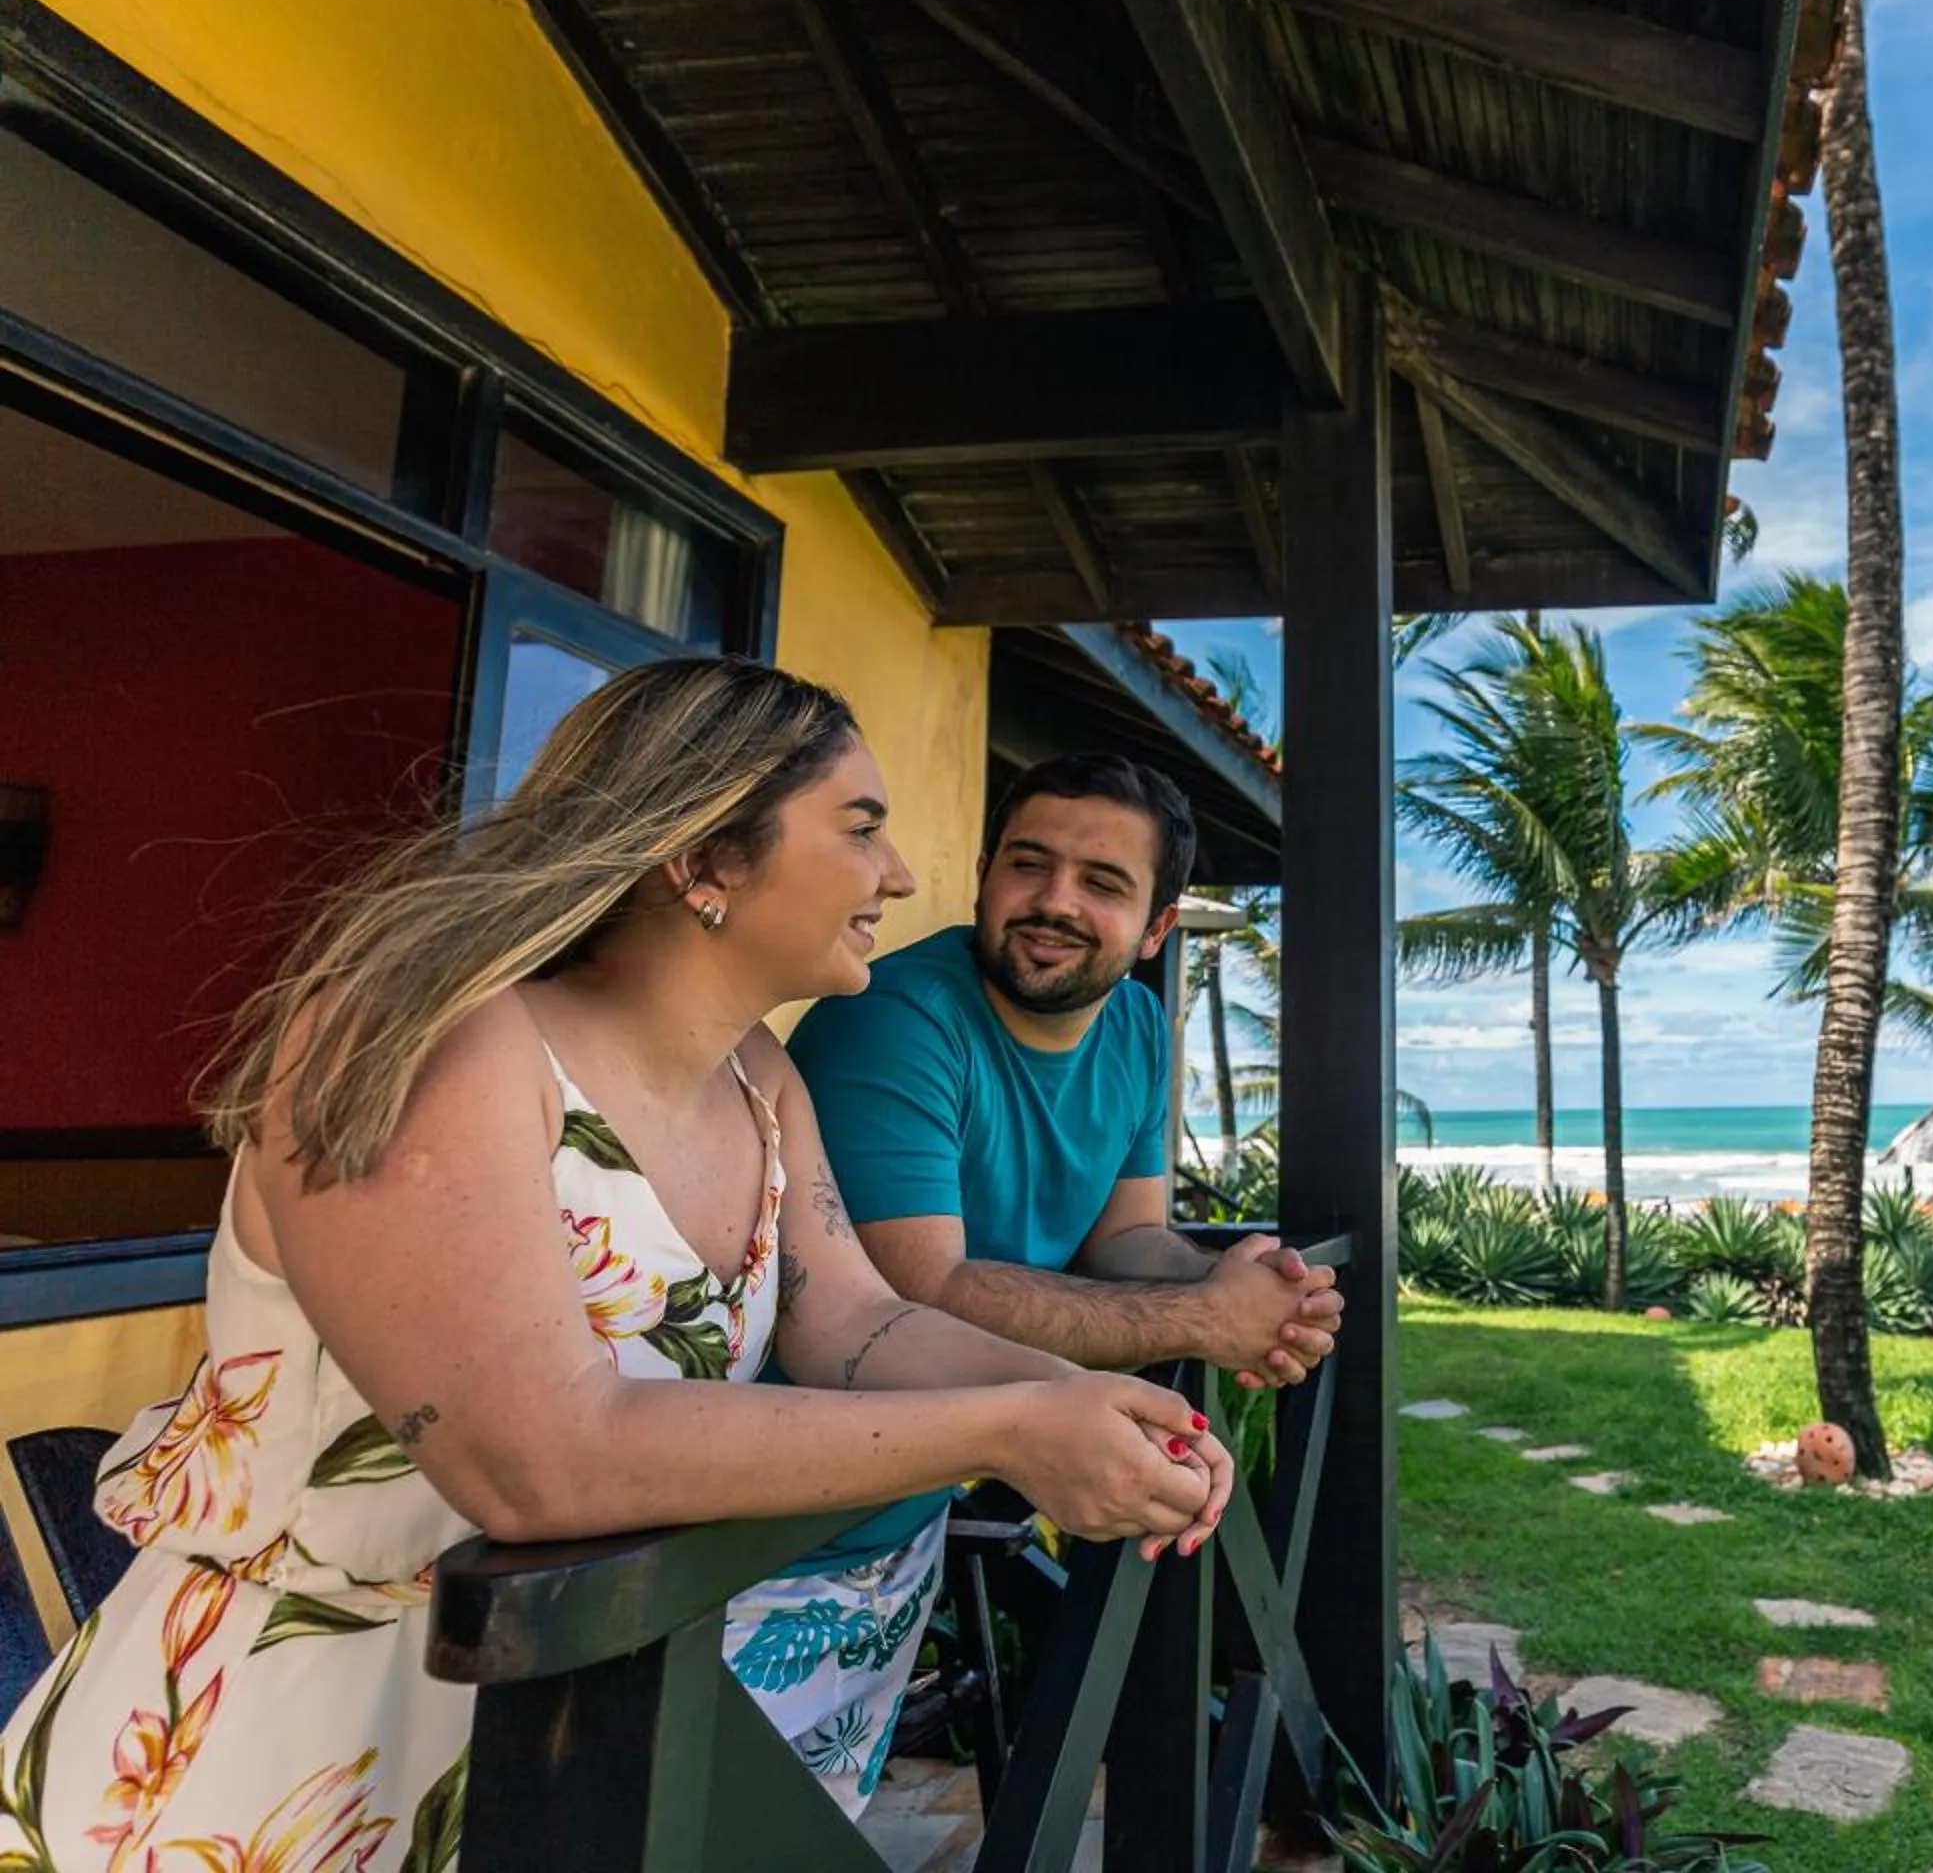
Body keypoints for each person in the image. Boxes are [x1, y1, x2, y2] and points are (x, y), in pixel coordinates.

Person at [0, 660, 1229, 1866]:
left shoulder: (760, 1078)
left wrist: (1083, 1400)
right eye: (860, 828)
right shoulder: (429, 1036)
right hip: (289, 1755)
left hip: (560, 1731)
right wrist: (1009, 1429)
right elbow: (537, 1457)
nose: (899, 874)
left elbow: (859, 1323)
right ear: (703, 855)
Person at [725, 753, 1341, 1799]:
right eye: (1029, 863)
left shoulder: (1136, 1027)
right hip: (758, 1527)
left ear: (1156, 926)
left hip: (908, 1505)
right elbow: (920, 1290)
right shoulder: (895, 1016)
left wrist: (1240, 1286)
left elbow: (1125, 1236)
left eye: (1102, 882)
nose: (1055, 900)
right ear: (983, 874)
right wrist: (1201, 1319)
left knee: (803, 1823)